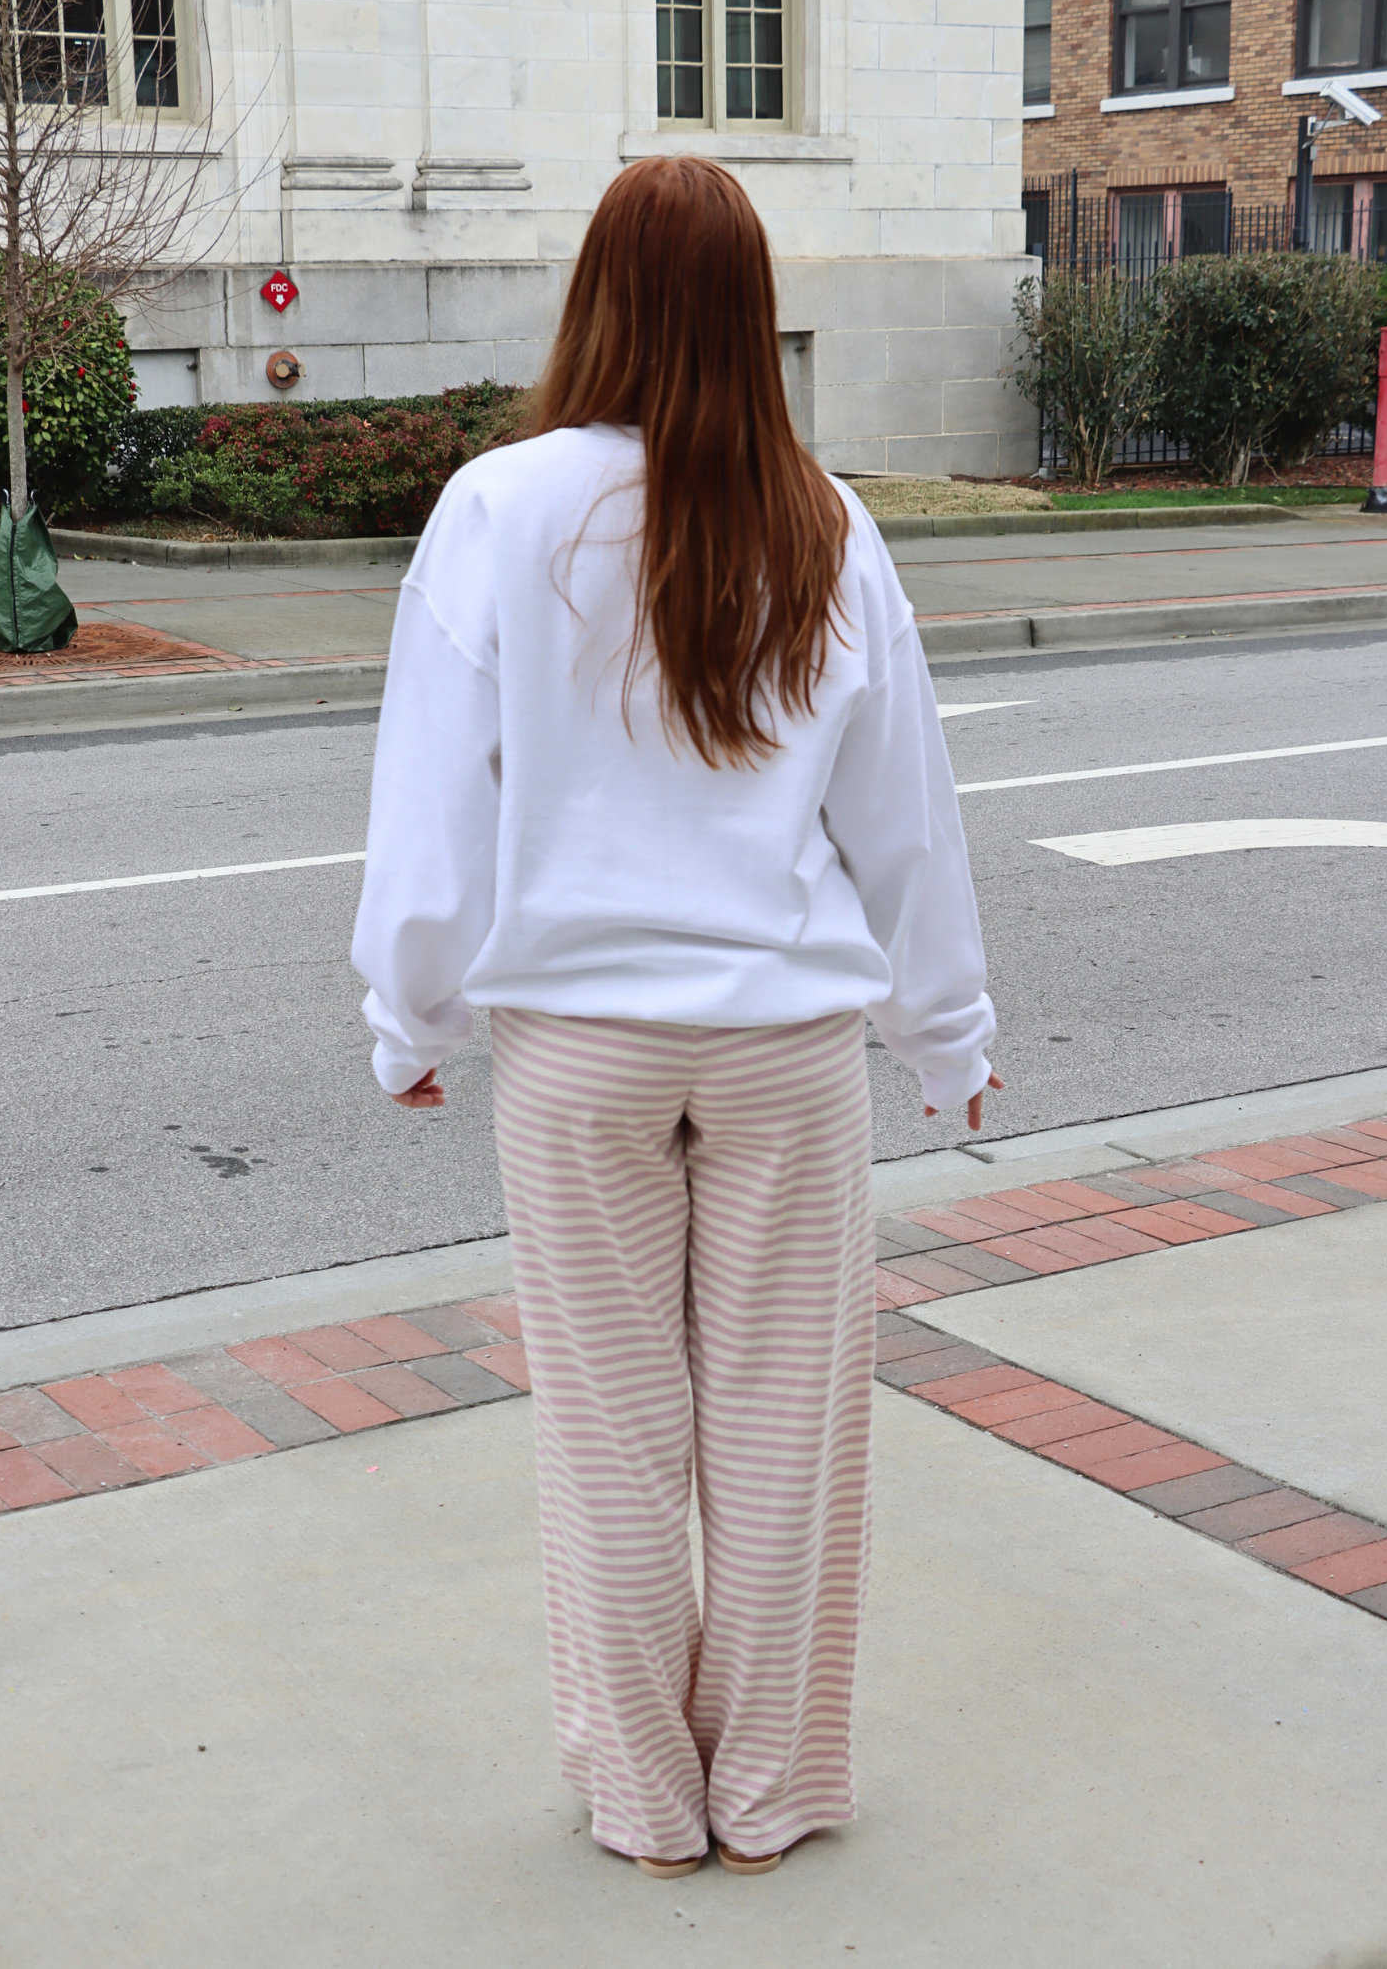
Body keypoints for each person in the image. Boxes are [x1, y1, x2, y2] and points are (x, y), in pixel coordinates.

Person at [351, 155, 999, 1881]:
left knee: (610, 1436)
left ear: (598, 296)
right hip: (788, 1045)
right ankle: (771, 1788)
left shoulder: (497, 506)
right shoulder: (825, 519)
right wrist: (951, 1035)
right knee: (791, 1431)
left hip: (578, 1048)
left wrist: (405, 1013)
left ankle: (645, 1796)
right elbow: (902, 812)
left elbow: (436, 799)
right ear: (750, 309)